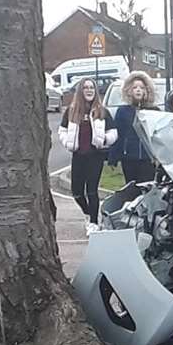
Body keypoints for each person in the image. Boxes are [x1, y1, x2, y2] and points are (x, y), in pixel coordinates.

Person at [58, 77, 115, 230]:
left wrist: (104, 140)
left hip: (95, 156)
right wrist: (67, 142)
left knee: (92, 190)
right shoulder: (72, 111)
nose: (89, 90)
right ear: (80, 91)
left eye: (91, 88)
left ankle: (94, 223)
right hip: (78, 156)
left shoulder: (101, 111)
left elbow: (113, 132)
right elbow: (62, 130)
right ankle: (89, 214)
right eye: (86, 87)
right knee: (76, 192)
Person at [108, 71, 157, 185]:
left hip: (147, 158)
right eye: (135, 87)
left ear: (147, 90)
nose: (138, 90)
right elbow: (118, 135)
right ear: (129, 91)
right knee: (132, 189)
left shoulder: (153, 111)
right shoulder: (123, 111)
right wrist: (113, 158)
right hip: (129, 157)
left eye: (141, 87)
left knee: (147, 188)